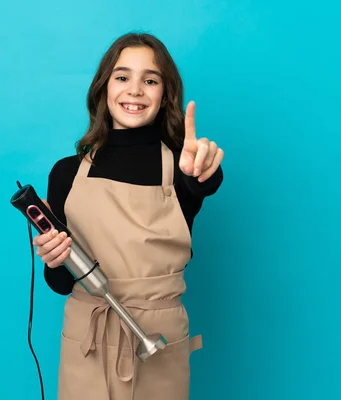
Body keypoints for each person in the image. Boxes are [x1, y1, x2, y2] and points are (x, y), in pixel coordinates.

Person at [32, 32, 224, 400]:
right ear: (104, 88)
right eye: (122, 77)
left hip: (160, 342)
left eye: (149, 80)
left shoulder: (181, 169)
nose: (134, 90)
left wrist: (202, 172)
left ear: (165, 94)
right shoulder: (66, 174)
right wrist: (54, 258)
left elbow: (205, 181)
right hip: (87, 337)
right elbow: (58, 283)